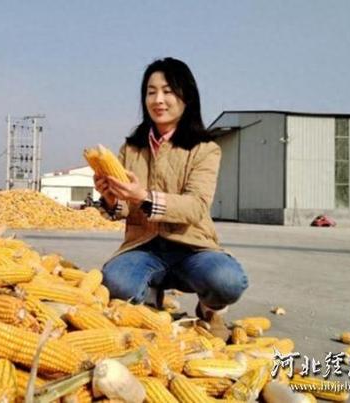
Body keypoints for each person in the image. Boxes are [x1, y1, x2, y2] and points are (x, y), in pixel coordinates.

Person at [94, 57, 248, 340]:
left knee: (227, 281)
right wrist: (110, 198)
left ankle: (210, 308)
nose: (158, 100)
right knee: (115, 284)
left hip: (192, 248)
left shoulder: (205, 149)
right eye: (151, 92)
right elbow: (123, 209)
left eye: (168, 91)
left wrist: (143, 196)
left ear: (186, 97)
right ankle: (151, 295)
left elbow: (195, 207)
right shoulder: (131, 148)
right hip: (144, 246)